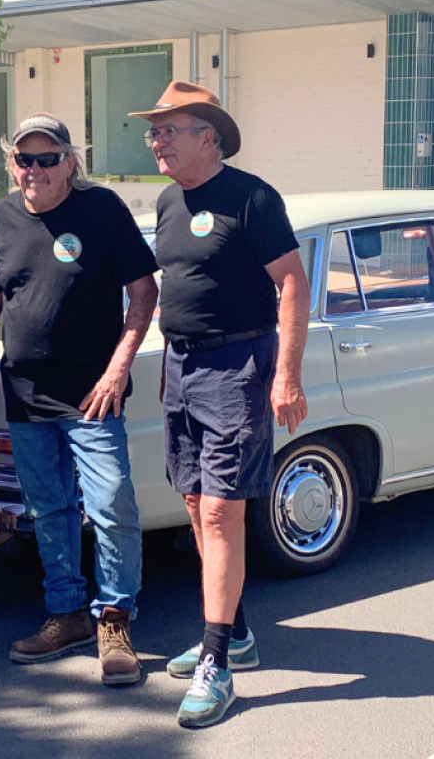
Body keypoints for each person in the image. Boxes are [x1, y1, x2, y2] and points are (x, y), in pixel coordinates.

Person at [0, 113, 159, 684]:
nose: (34, 170)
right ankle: (64, 615)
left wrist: (117, 371)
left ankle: (114, 622)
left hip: (94, 395)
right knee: (49, 511)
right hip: (27, 395)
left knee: (112, 504)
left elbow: (144, 294)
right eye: (24, 159)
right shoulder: (2, 217)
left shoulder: (103, 209)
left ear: (70, 161)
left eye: (47, 159)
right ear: (12, 162)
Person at [129, 81, 310, 727]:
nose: (155, 140)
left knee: (218, 513)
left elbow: (291, 281)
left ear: (208, 135)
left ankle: (217, 665)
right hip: (182, 367)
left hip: (239, 367)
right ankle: (232, 633)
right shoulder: (167, 201)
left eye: (167, 130)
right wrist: (170, 364)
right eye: (153, 131)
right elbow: (180, 283)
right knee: (191, 502)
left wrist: (285, 374)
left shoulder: (252, 197)